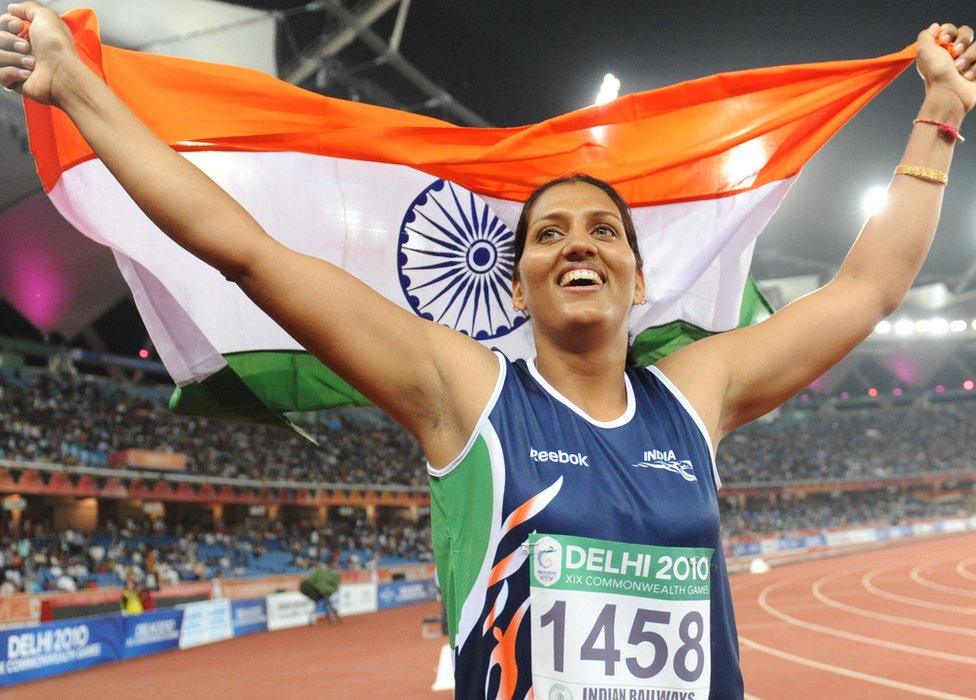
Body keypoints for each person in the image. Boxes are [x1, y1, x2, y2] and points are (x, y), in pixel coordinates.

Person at [0, 3, 973, 696]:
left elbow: (865, 288)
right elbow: (244, 250)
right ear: (514, 285)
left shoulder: (696, 391)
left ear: (637, 279)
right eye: (548, 233)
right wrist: (82, 92)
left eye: (602, 230)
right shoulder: (460, 391)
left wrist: (936, 116)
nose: (578, 242)